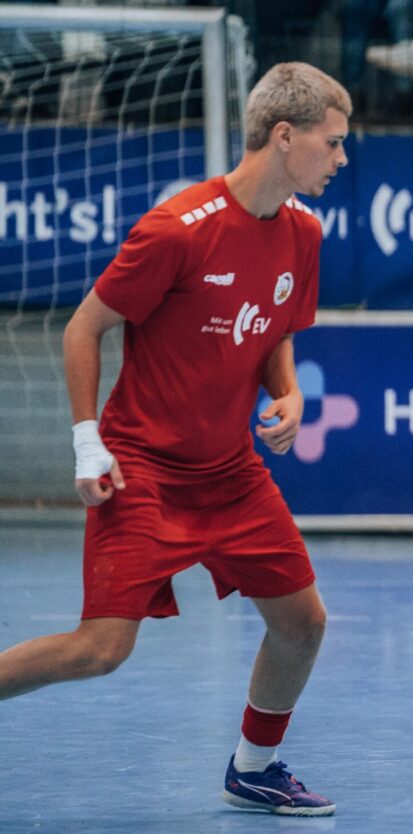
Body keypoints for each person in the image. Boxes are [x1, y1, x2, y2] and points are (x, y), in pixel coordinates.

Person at [0, 63, 349, 816]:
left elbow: (274, 330)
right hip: (144, 470)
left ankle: (254, 768)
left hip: (231, 472)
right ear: (284, 137)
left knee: (303, 623)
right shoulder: (178, 229)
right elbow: (84, 328)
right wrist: (87, 441)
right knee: (101, 648)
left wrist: (287, 393)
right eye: (333, 141)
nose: (341, 158)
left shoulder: (304, 233)